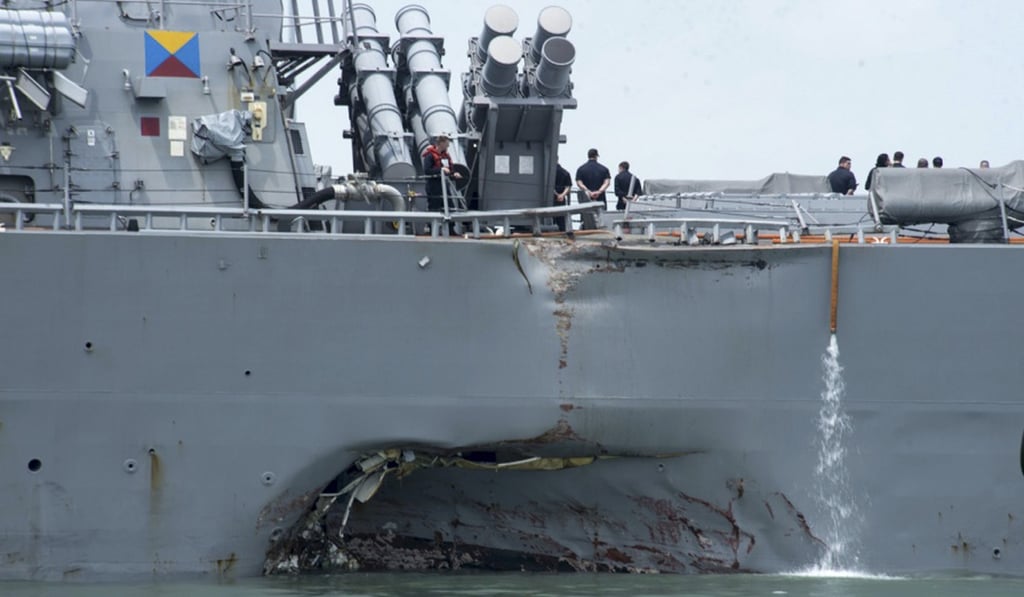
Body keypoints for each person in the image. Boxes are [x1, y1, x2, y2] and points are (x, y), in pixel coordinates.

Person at [421, 134, 462, 212]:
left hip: (444, 186)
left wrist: (454, 174)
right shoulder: (429, 155)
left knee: (450, 207)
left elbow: (449, 169)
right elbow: (427, 170)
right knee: (434, 208)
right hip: (433, 186)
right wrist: (441, 169)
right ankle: (432, 219)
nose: (448, 146)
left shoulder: (445, 156)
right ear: (441, 143)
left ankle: (450, 219)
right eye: (447, 144)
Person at [575, 148, 611, 230]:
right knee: (601, 219)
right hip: (600, 198)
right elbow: (607, 182)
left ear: (588, 156)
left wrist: (588, 191)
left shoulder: (581, 169)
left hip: (586, 198)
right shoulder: (604, 169)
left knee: (586, 219)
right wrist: (599, 192)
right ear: (596, 156)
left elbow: (579, 182)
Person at [553, 163, 572, 232]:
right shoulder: (565, 172)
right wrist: (562, 195)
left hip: (552, 198)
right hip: (562, 199)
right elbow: (568, 186)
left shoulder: (550, 172)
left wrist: (556, 194)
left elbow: (550, 186)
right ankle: (562, 231)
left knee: (552, 216)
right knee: (561, 217)